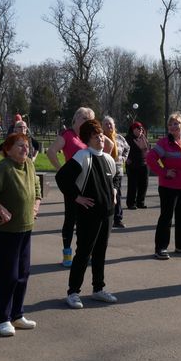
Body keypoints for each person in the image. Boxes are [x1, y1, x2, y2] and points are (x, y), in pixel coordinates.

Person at [0, 132, 42, 336]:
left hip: (25, 227)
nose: (25, 149)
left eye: (26, 145)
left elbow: (37, 187)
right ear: (8, 149)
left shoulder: (29, 165)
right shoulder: (4, 168)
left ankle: (17, 315)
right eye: (20, 145)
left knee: (23, 274)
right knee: (8, 275)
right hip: (5, 231)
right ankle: (2, 318)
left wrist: (36, 204)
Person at [55, 119, 119, 307]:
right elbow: (62, 178)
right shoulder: (82, 156)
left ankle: (98, 289)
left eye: (100, 135)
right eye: (95, 136)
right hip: (88, 214)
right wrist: (77, 197)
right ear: (87, 139)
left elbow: (115, 178)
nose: (100, 138)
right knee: (84, 252)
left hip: (107, 214)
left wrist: (114, 192)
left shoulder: (107, 158)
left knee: (100, 252)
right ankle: (73, 292)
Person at [46, 107, 94, 267]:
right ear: (75, 119)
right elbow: (51, 152)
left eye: (89, 119)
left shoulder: (89, 138)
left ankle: (84, 254)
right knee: (70, 219)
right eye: (82, 117)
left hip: (88, 183)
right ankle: (67, 254)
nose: (85, 121)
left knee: (86, 222)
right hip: (72, 184)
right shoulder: (68, 135)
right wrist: (62, 171)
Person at [146, 112, 181, 259]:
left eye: (176, 123)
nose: (173, 126)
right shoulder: (164, 143)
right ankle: (161, 247)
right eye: (171, 124)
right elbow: (150, 158)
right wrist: (164, 171)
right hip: (169, 186)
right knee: (166, 217)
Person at [102, 116, 129, 228]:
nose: (109, 126)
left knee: (117, 194)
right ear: (102, 126)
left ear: (114, 126)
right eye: (106, 124)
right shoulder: (100, 138)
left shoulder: (119, 138)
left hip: (117, 170)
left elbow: (127, 148)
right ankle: (104, 218)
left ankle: (118, 219)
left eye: (111, 124)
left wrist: (123, 158)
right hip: (104, 170)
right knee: (105, 195)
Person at [125, 121, 150, 209]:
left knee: (144, 184)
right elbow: (123, 150)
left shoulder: (144, 138)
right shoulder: (127, 139)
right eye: (138, 128)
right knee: (133, 185)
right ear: (133, 129)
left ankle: (140, 202)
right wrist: (126, 159)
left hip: (144, 164)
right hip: (132, 165)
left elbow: (148, 149)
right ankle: (131, 203)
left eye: (141, 129)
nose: (140, 130)